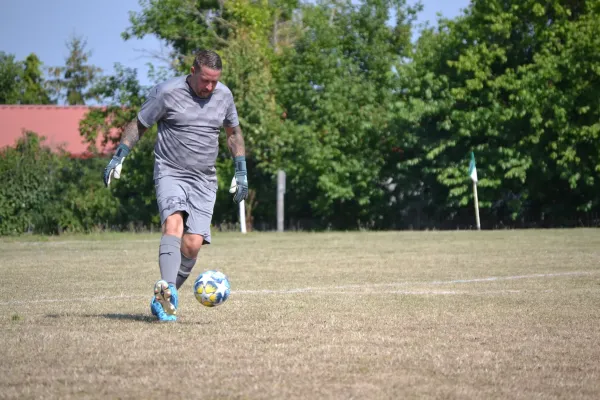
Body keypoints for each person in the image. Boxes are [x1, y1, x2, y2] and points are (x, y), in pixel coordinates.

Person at [102, 50, 248, 322]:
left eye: (215, 81)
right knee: (174, 223)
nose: (209, 87)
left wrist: (241, 171)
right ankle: (167, 288)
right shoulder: (166, 92)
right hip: (171, 171)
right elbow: (139, 124)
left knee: (192, 245)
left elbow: (233, 133)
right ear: (192, 70)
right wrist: (119, 155)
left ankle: (164, 297)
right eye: (205, 80)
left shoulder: (224, 96)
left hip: (205, 178)